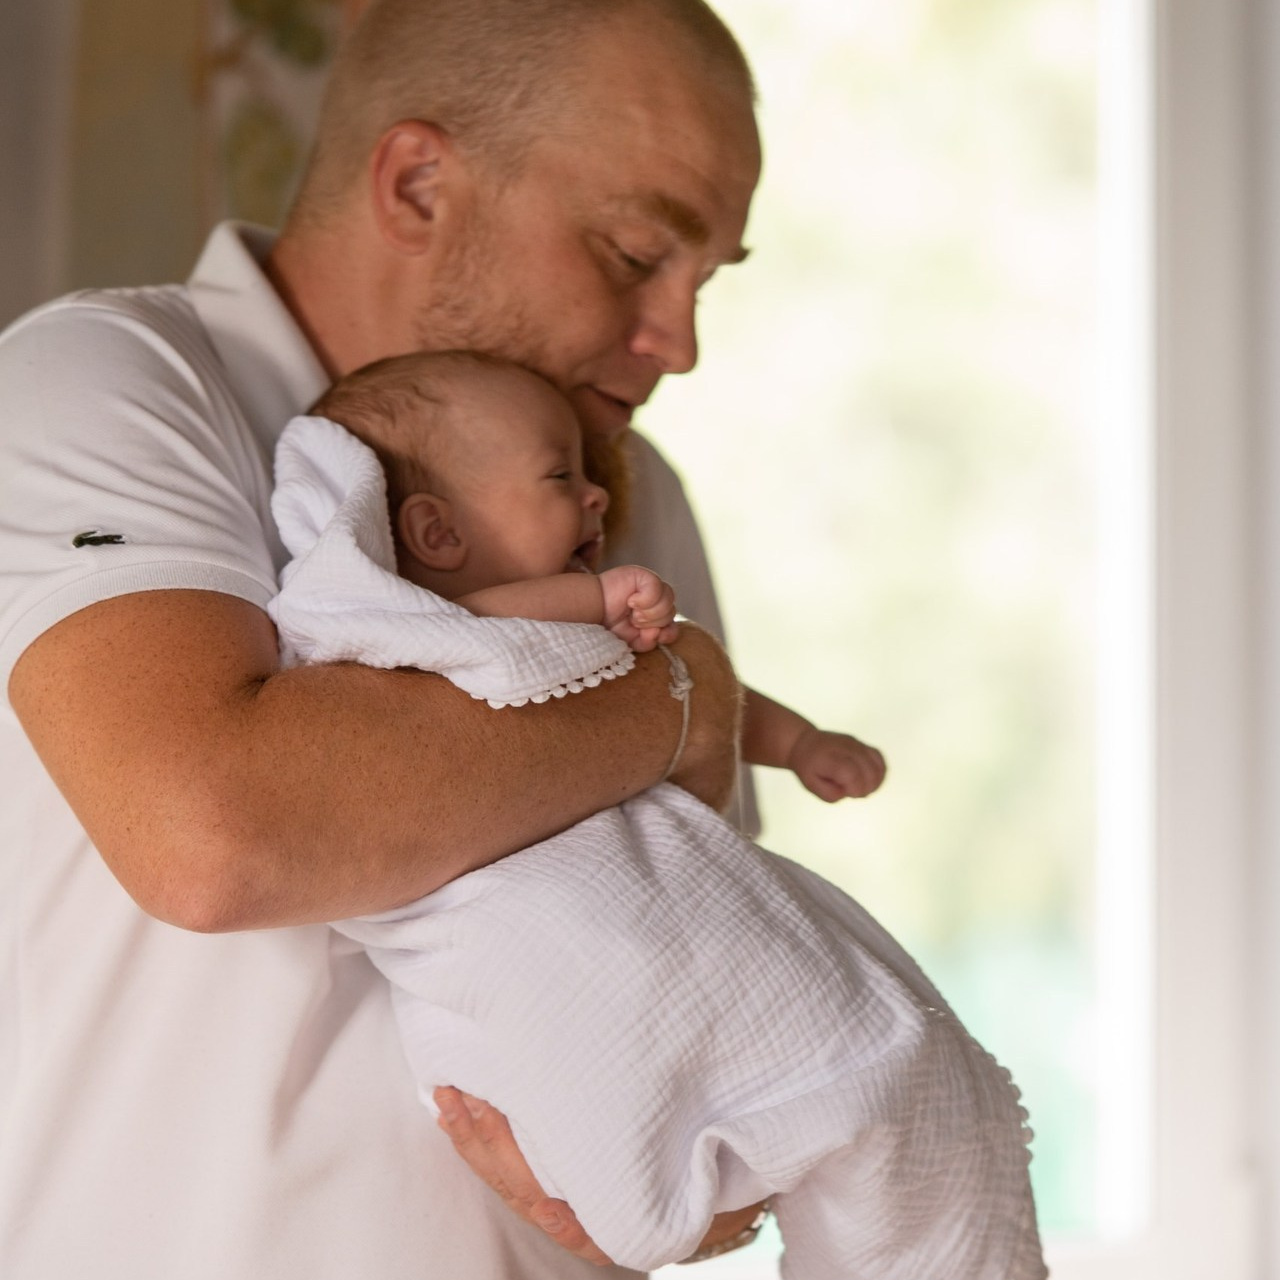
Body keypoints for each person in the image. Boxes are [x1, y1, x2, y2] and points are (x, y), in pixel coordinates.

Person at [0, 1, 773, 1276]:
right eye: (637, 252)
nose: (677, 342)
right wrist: (676, 695)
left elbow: (711, 971)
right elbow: (218, 831)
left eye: (708, 278)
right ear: (417, 184)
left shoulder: (628, 499)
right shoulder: (109, 386)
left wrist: (704, 1167)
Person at [264, 349, 1045, 1276]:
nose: (597, 499)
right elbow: (476, 632)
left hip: (656, 906)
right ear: (434, 531)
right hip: (519, 935)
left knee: (895, 1079)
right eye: (562, 476)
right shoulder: (415, 638)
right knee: (846, 1073)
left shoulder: (582, 635)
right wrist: (588, 602)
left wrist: (799, 746)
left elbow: (717, 687)